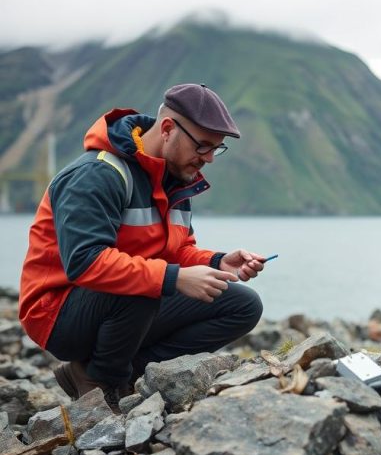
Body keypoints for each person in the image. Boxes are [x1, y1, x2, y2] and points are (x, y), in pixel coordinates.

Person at [19, 84, 266, 411]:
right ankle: (101, 385)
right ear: (167, 129)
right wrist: (174, 278)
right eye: (203, 146)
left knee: (242, 305)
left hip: (121, 302)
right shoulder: (96, 174)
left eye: (216, 150)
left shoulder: (174, 180)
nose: (208, 159)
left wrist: (220, 262)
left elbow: (176, 251)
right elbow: (86, 262)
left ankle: (122, 374)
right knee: (147, 286)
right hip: (56, 312)